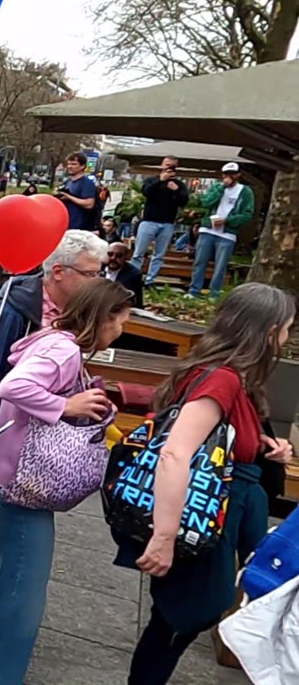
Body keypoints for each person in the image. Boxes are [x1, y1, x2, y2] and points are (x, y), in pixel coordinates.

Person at [0, 278, 131, 685]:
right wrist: (65, 405)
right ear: (103, 317)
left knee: (4, 565)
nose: (121, 330)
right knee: (23, 582)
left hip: (10, 473)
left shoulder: (56, 341)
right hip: (22, 479)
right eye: (120, 320)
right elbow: (13, 386)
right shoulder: (64, 349)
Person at [117, 283, 294, 685]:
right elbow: (177, 452)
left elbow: (218, 443)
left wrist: (265, 447)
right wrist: (163, 536)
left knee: (180, 620)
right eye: (285, 329)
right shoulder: (223, 380)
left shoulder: (233, 378)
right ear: (267, 332)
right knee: (181, 618)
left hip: (219, 516)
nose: (286, 338)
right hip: (204, 519)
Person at [0, 230, 110, 452]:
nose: (97, 282)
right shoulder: (12, 311)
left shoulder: (77, 309)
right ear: (58, 272)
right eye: (90, 274)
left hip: (46, 439)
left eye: (99, 274)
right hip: (4, 438)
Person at [187, 162, 254, 300]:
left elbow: (247, 214)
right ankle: (194, 290)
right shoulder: (216, 187)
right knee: (200, 261)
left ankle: (214, 293)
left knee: (220, 265)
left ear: (238, 175)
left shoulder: (245, 192)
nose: (229, 177)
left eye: (232, 174)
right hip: (208, 230)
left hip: (227, 233)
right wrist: (221, 189)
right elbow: (206, 203)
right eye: (226, 174)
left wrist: (227, 220)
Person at [131, 156, 188, 286]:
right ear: (162, 165)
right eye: (167, 165)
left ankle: (150, 280)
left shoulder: (179, 184)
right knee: (138, 253)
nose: (169, 168)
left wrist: (176, 190)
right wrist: (160, 181)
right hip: (149, 221)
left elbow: (184, 201)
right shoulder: (152, 180)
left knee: (159, 255)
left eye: (172, 166)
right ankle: (133, 278)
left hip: (167, 223)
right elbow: (146, 192)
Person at [56, 153, 98, 231]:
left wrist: (68, 196)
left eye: (74, 164)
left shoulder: (87, 183)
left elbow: (89, 204)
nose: (69, 166)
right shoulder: (67, 182)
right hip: (65, 225)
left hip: (79, 228)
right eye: (68, 164)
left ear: (82, 166)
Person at [105, 241, 144, 308]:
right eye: (110, 254)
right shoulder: (97, 268)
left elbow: (136, 302)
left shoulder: (133, 275)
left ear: (126, 257)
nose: (113, 258)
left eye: (119, 255)